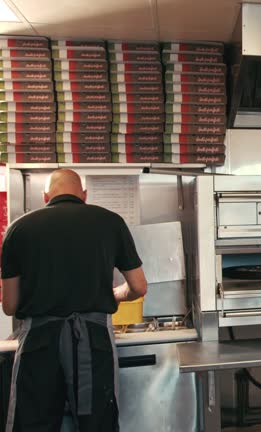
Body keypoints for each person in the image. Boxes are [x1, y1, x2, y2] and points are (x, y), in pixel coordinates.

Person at [1, 169, 147, 431]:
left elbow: (9, 305)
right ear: (84, 195)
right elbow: (138, 286)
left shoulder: (18, 228)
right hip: (93, 341)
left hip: (39, 344)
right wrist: (116, 294)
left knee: (33, 424)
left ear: (46, 196)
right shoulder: (110, 222)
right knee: (98, 424)